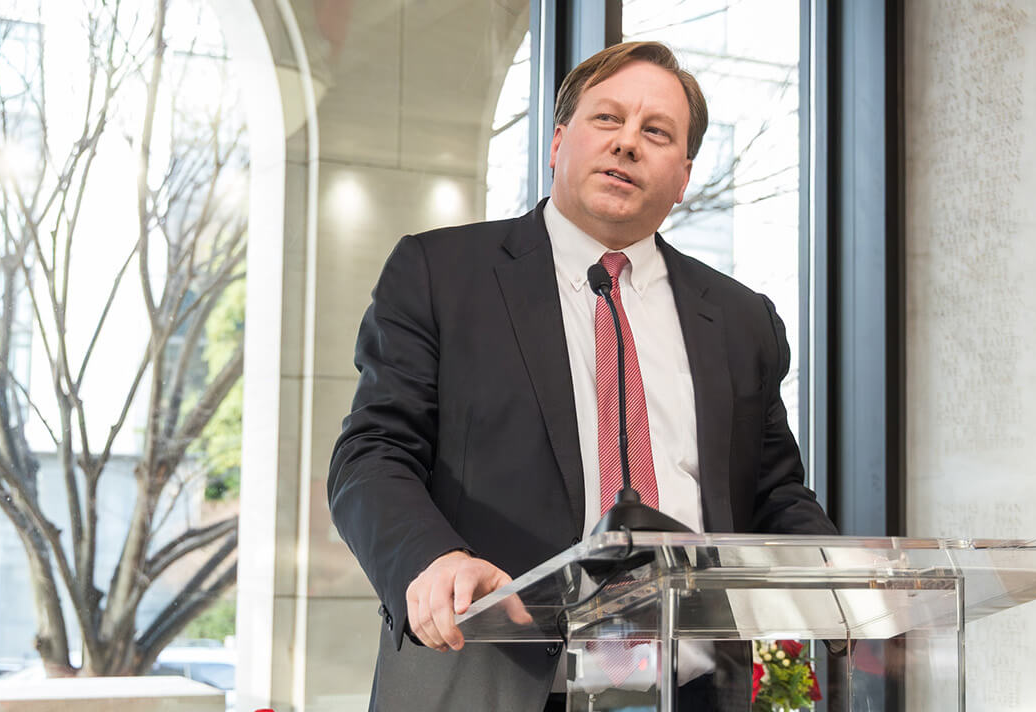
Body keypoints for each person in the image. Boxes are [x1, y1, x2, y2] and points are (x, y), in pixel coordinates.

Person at [328, 41, 837, 712]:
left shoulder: (741, 320)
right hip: (491, 679)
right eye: (608, 120)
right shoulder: (441, 276)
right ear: (559, 141)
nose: (628, 143)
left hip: (692, 687)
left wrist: (845, 578)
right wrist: (432, 561)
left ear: (683, 177)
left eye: (656, 133)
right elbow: (373, 454)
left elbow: (773, 494)